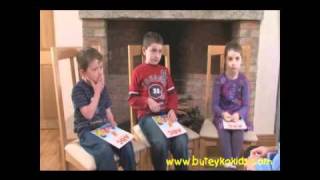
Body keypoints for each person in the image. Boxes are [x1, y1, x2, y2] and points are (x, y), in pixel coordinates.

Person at [128, 32, 189, 170]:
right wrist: (147, 101)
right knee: (160, 142)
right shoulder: (138, 71)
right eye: (153, 50)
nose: (157, 55)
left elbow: (172, 94)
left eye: (160, 51)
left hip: (165, 115)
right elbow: (132, 99)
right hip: (147, 117)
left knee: (181, 140)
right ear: (144, 51)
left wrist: (172, 109)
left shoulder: (164, 71)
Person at [72, 47, 136, 170]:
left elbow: (108, 111)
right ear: (83, 72)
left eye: (101, 67)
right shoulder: (78, 90)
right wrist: (96, 93)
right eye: (95, 69)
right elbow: (88, 115)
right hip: (87, 131)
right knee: (104, 150)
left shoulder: (102, 87)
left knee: (126, 144)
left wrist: (115, 128)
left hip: (104, 128)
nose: (100, 72)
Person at [212, 41, 252, 169]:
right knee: (224, 131)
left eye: (237, 59)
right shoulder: (219, 80)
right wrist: (223, 113)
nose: (233, 62)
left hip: (237, 118)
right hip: (222, 116)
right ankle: (229, 163)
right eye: (230, 59)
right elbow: (214, 105)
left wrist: (238, 114)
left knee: (237, 133)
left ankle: (232, 163)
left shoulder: (244, 81)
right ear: (225, 60)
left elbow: (246, 105)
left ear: (241, 61)